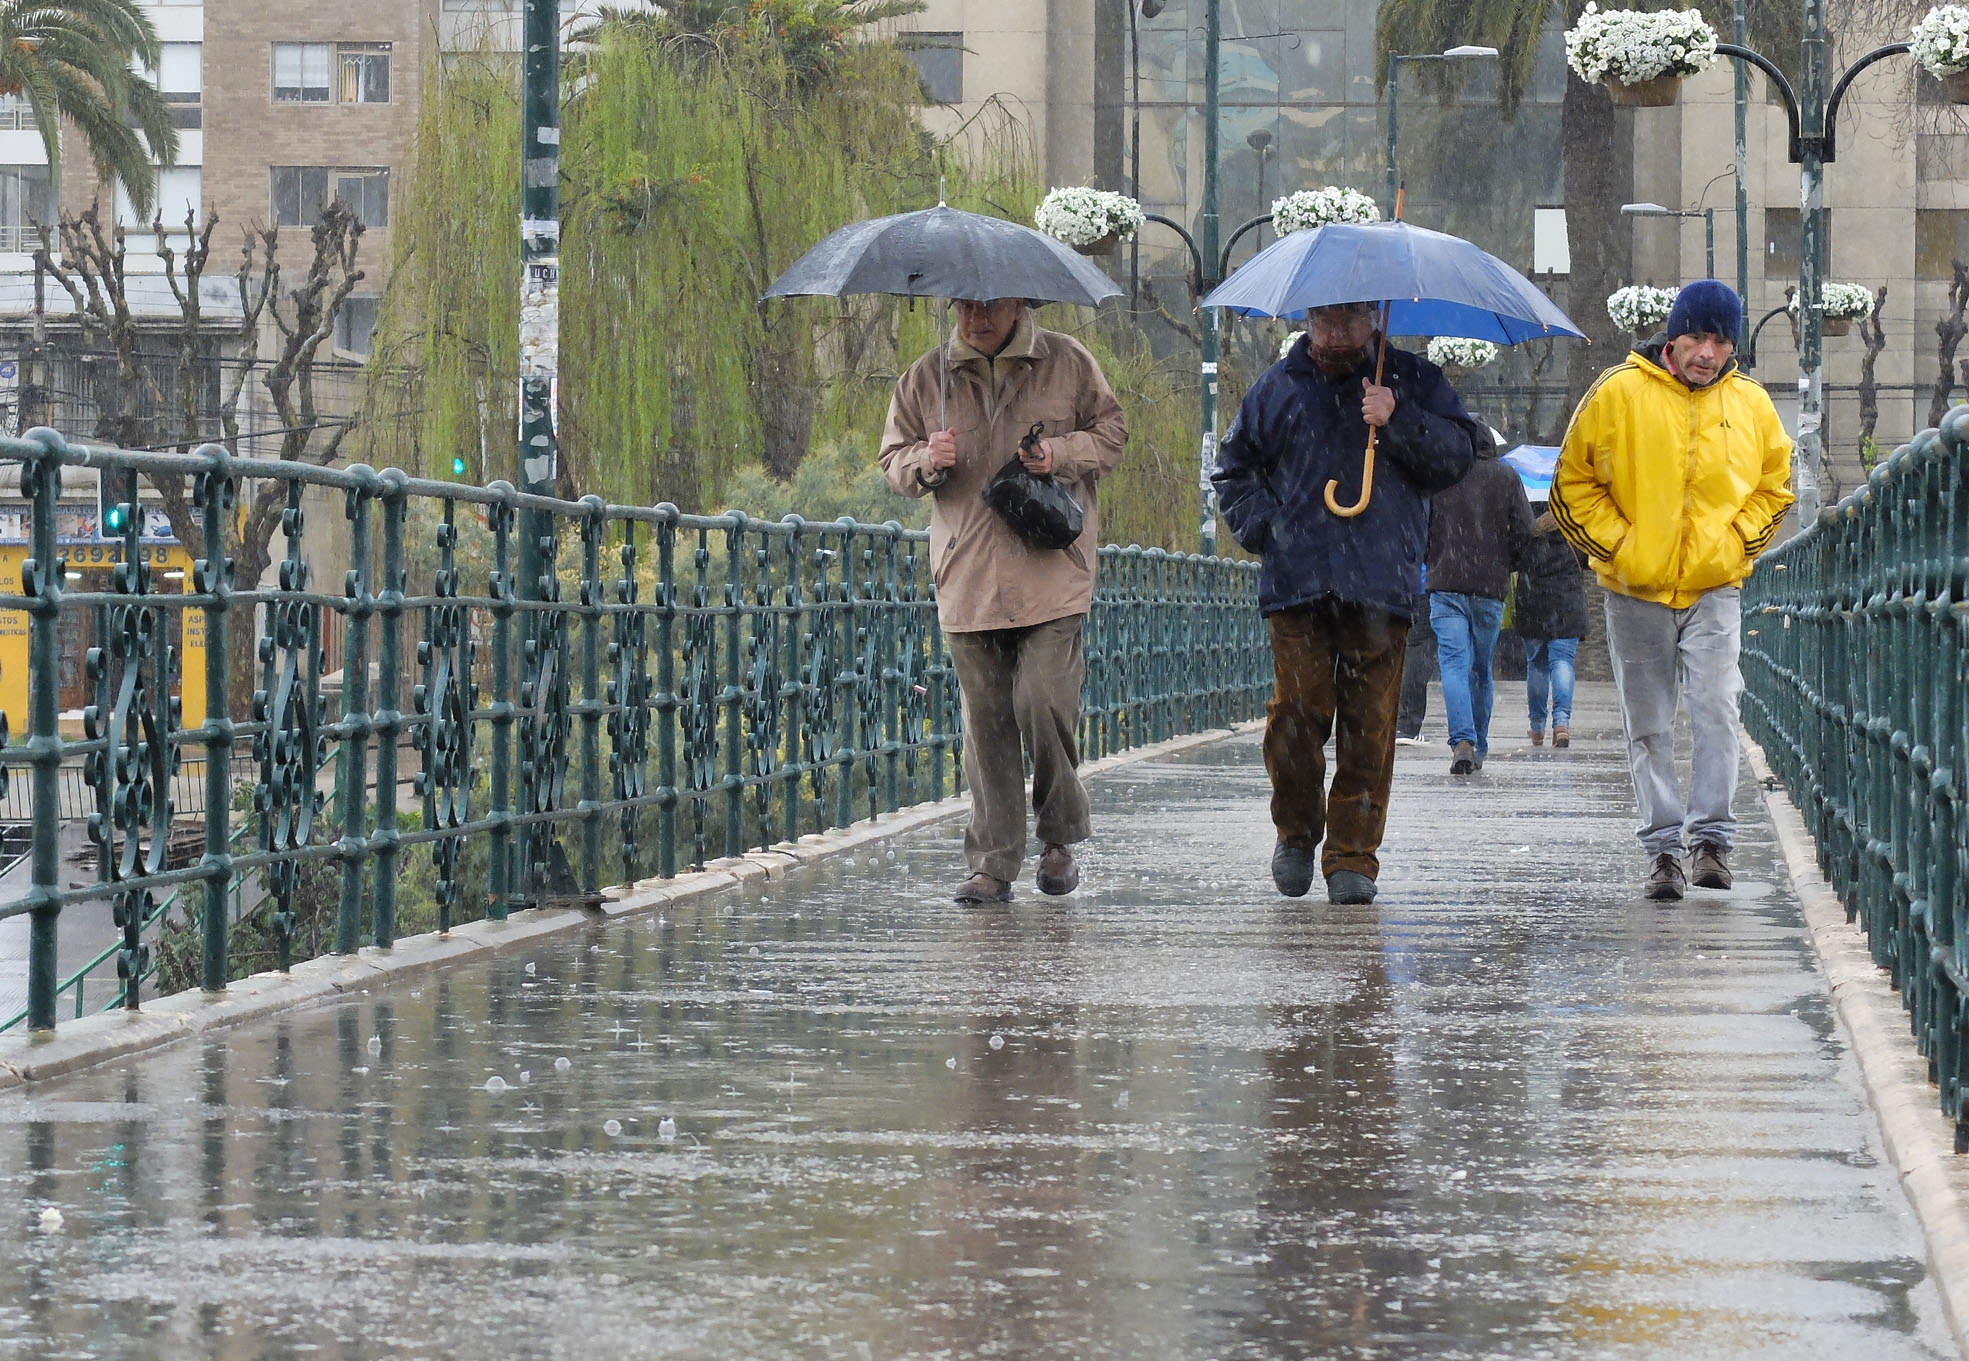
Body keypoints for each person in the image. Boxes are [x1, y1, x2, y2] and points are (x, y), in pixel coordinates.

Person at [1212, 301, 1481, 905]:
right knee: (1295, 717)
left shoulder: (1411, 380)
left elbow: (1458, 457)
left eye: (1349, 319)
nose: (1336, 332)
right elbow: (1233, 471)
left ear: (1373, 318)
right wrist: (1270, 531)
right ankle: (1297, 830)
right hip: (1298, 585)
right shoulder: (1277, 389)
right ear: (1307, 318)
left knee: (1372, 725)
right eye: (1324, 319)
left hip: (1380, 582)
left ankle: (1354, 854)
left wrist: (1398, 416)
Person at [1550, 279, 1794, 901]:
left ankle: (1711, 840)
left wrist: (1734, 545)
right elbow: (1570, 483)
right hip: (1636, 591)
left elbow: (1776, 484)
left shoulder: (1753, 405)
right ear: (1672, 336)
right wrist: (1624, 550)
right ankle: (1663, 851)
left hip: (1714, 586)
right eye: (1695, 337)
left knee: (1717, 706)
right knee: (1649, 722)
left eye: (1719, 340)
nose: (1706, 352)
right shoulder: (1616, 393)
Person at [879, 296, 1126, 905]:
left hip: (1051, 571)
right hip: (968, 571)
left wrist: (1060, 455)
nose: (976, 317)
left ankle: (1059, 838)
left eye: (989, 305)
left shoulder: (1066, 361)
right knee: (986, 720)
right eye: (963, 306)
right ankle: (992, 863)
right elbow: (892, 457)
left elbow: (1113, 435)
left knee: (1043, 702)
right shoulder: (926, 377)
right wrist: (925, 463)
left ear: (1019, 303)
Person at [1423, 431, 1534, 775]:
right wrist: (1507, 563)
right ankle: (1479, 744)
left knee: (1453, 665)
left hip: (1446, 585)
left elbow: (1420, 527)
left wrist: (1435, 558)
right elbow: (1526, 531)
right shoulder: (1506, 477)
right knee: (1481, 670)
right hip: (1489, 588)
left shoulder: (1439, 475)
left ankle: (1462, 742)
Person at [1514, 501, 1588, 749]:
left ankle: (1537, 728)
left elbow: (1514, 558)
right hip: (1568, 600)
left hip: (1533, 599)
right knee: (1562, 661)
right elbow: (1588, 557)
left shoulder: (1526, 514)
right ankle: (1562, 724)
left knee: (1536, 664)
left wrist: (1532, 530)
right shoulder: (1575, 512)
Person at [1394, 573, 1435, 745]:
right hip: (1423, 587)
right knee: (1418, 651)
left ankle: (1396, 722)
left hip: (1394, 585)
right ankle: (1407, 725)